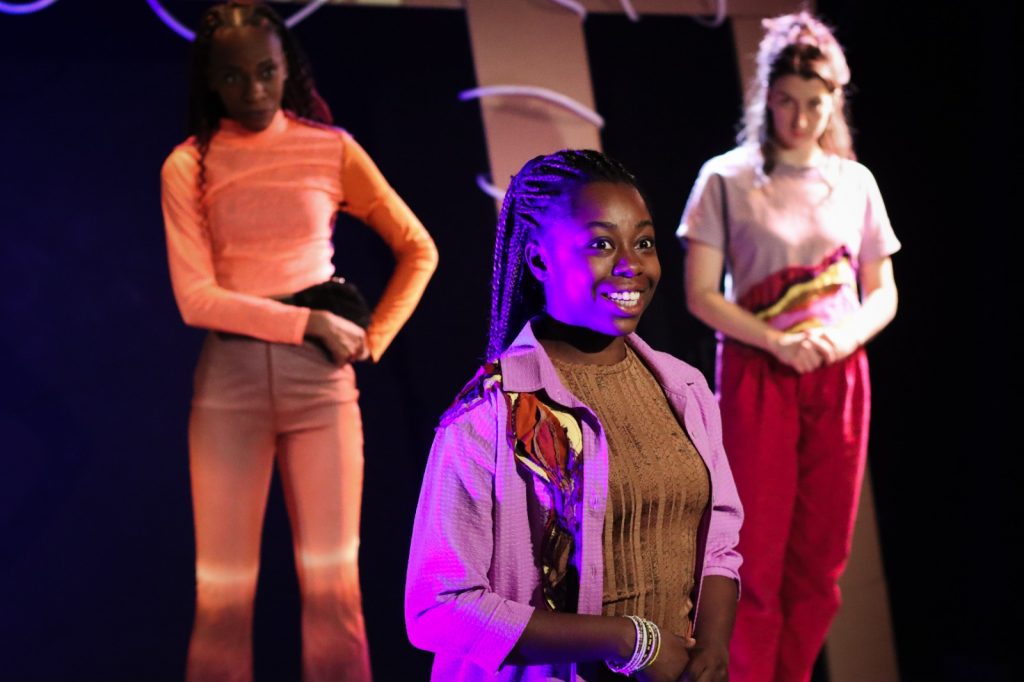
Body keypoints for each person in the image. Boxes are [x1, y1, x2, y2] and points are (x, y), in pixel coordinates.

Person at [159, 3, 438, 680]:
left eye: (265, 71)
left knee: (334, 591)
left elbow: (418, 249)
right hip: (229, 390)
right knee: (222, 597)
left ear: (288, 69)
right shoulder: (188, 164)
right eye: (234, 76)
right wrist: (309, 321)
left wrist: (375, 338)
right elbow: (196, 299)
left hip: (321, 390)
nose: (253, 90)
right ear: (211, 82)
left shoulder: (329, 148)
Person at [405, 149, 742, 681]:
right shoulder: (488, 415)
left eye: (645, 242)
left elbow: (720, 542)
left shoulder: (686, 389)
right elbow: (438, 608)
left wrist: (714, 649)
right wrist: (632, 641)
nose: (632, 264)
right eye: (602, 244)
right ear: (539, 260)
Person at [677, 12, 900, 682]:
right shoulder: (727, 177)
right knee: (755, 552)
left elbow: (882, 291)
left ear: (833, 102)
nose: (799, 118)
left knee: (821, 560)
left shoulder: (854, 183)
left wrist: (838, 339)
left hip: (838, 377)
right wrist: (778, 340)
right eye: (785, 102)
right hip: (758, 372)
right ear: (766, 98)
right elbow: (700, 294)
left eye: (814, 103)